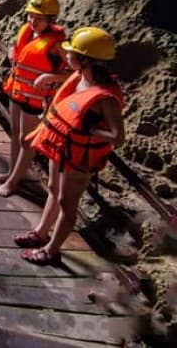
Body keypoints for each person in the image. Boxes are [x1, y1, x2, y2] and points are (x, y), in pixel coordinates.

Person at [15, 27, 125, 266]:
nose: (67, 55)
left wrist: (90, 129)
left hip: (80, 156)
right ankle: (41, 232)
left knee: (67, 203)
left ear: (85, 59)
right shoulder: (81, 76)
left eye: (72, 53)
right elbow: (71, 85)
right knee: (54, 187)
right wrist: (52, 78)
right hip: (63, 146)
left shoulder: (106, 97)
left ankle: (51, 250)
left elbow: (118, 137)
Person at [0, 0, 70, 196]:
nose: (33, 21)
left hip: (36, 98)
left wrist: (50, 78)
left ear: (51, 20)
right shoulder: (27, 30)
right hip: (18, 90)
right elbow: (17, 47)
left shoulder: (57, 44)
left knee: (27, 140)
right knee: (16, 132)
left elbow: (76, 72)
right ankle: (13, 171)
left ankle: (14, 182)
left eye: (39, 18)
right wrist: (11, 52)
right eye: (30, 16)